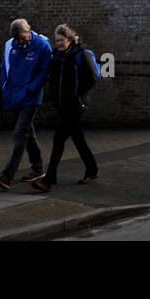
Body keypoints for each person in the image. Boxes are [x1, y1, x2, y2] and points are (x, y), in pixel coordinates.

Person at [32, 24, 99, 192]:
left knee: (58, 140)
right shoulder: (56, 56)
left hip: (75, 105)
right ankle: (92, 169)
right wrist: (53, 95)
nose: (59, 43)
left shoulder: (80, 54)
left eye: (62, 40)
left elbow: (92, 77)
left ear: (69, 39)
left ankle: (48, 180)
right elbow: (53, 78)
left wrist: (77, 94)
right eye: (57, 40)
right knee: (78, 138)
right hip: (62, 104)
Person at [0, 18, 53, 189]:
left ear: (29, 31)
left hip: (30, 98)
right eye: (17, 39)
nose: (19, 42)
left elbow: (45, 72)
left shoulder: (42, 46)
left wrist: (30, 89)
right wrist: (5, 88)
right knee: (27, 133)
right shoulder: (10, 45)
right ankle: (38, 168)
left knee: (19, 133)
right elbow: (4, 68)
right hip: (13, 96)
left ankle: (6, 176)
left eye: (22, 38)